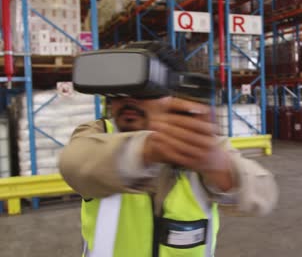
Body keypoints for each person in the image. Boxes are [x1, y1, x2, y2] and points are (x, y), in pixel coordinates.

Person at [59, 41, 278, 257]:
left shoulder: (203, 144)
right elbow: (74, 164)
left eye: (144, 91)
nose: (128, 101)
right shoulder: (97, 133)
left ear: (174, 96)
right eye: (119, 92)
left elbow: (264, 194)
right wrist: (147, 150)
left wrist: (221, 169)